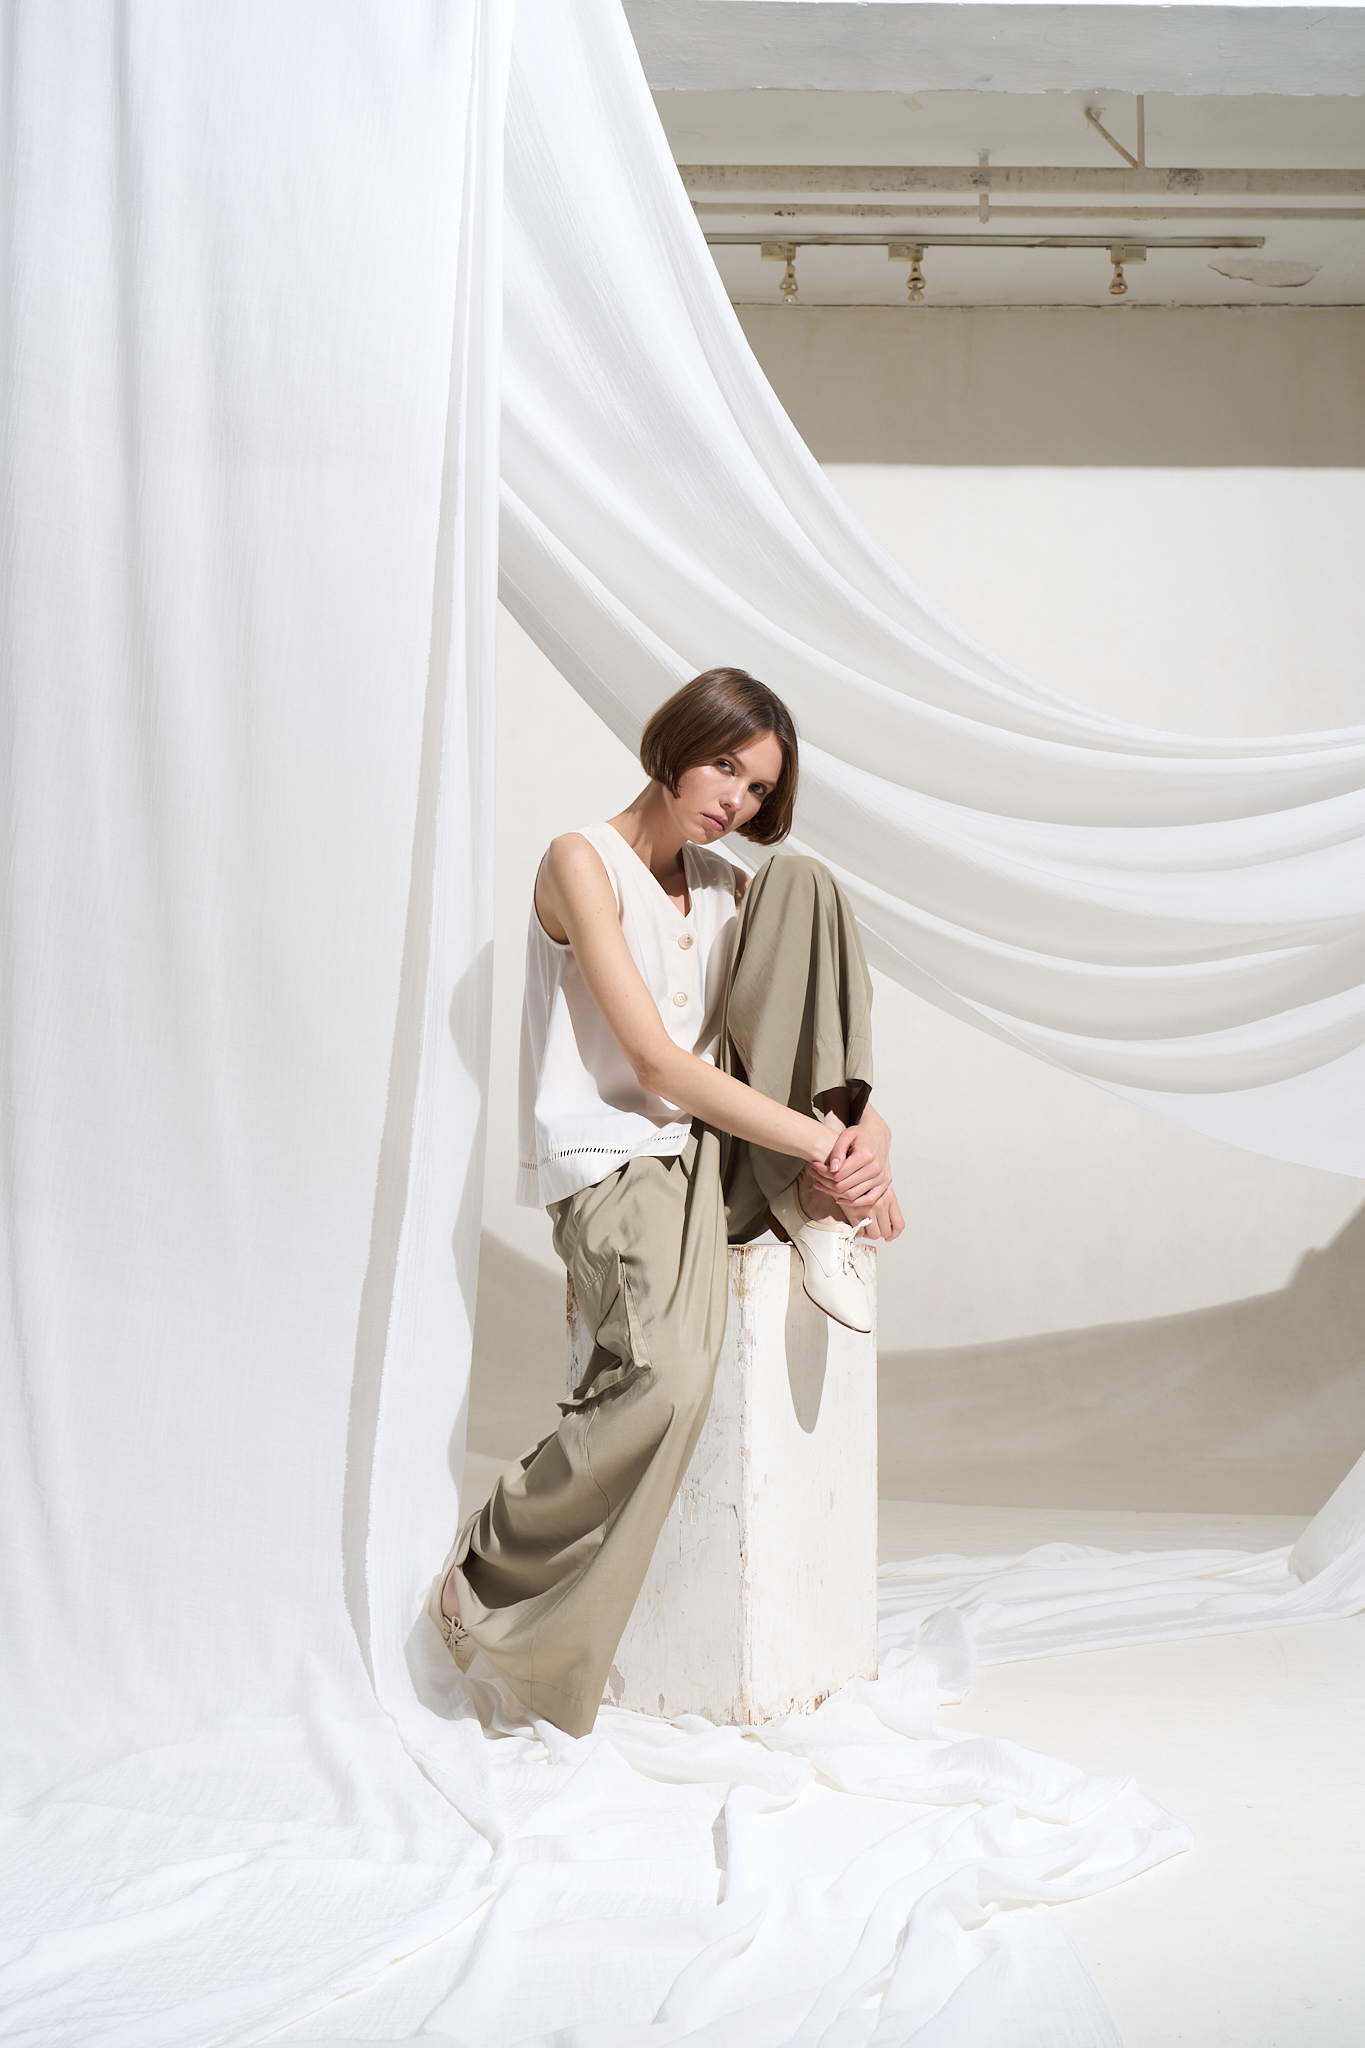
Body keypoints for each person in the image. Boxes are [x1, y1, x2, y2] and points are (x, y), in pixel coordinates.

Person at [428, 667, 904, 1736]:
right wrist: (820, 1144)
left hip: (720, 1156)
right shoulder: (579, 861)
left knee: (807, 885)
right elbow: (652, 1063)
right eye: (724, 765)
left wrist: (868, 1143)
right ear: (675, 747)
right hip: (619, 1163)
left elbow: (793, 1039)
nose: (734, 799)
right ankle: (483, 1573)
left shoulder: (734, 888)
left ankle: (821, 1211)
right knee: (671, 1375)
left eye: (757, 786)